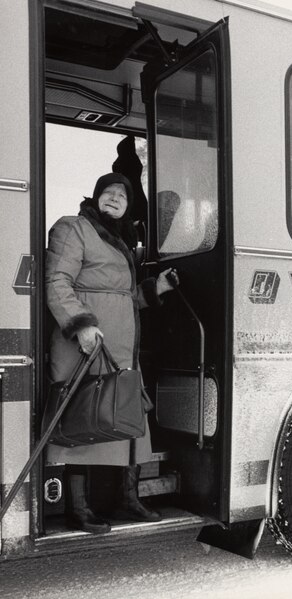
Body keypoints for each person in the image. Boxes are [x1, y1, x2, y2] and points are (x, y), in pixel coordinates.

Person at [45, 172, 177, 534]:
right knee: (84, 421)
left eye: (123, 194)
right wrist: (81, 325)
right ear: (96, 196)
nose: (115, 197)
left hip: (119, 349)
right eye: (109, 191)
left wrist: (155, 289)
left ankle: (128, 498)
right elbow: (57, 281)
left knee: (127, 419)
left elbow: (123, 298)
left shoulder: (120, 240)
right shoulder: (74, 228)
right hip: (84, 346)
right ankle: (79, 508)